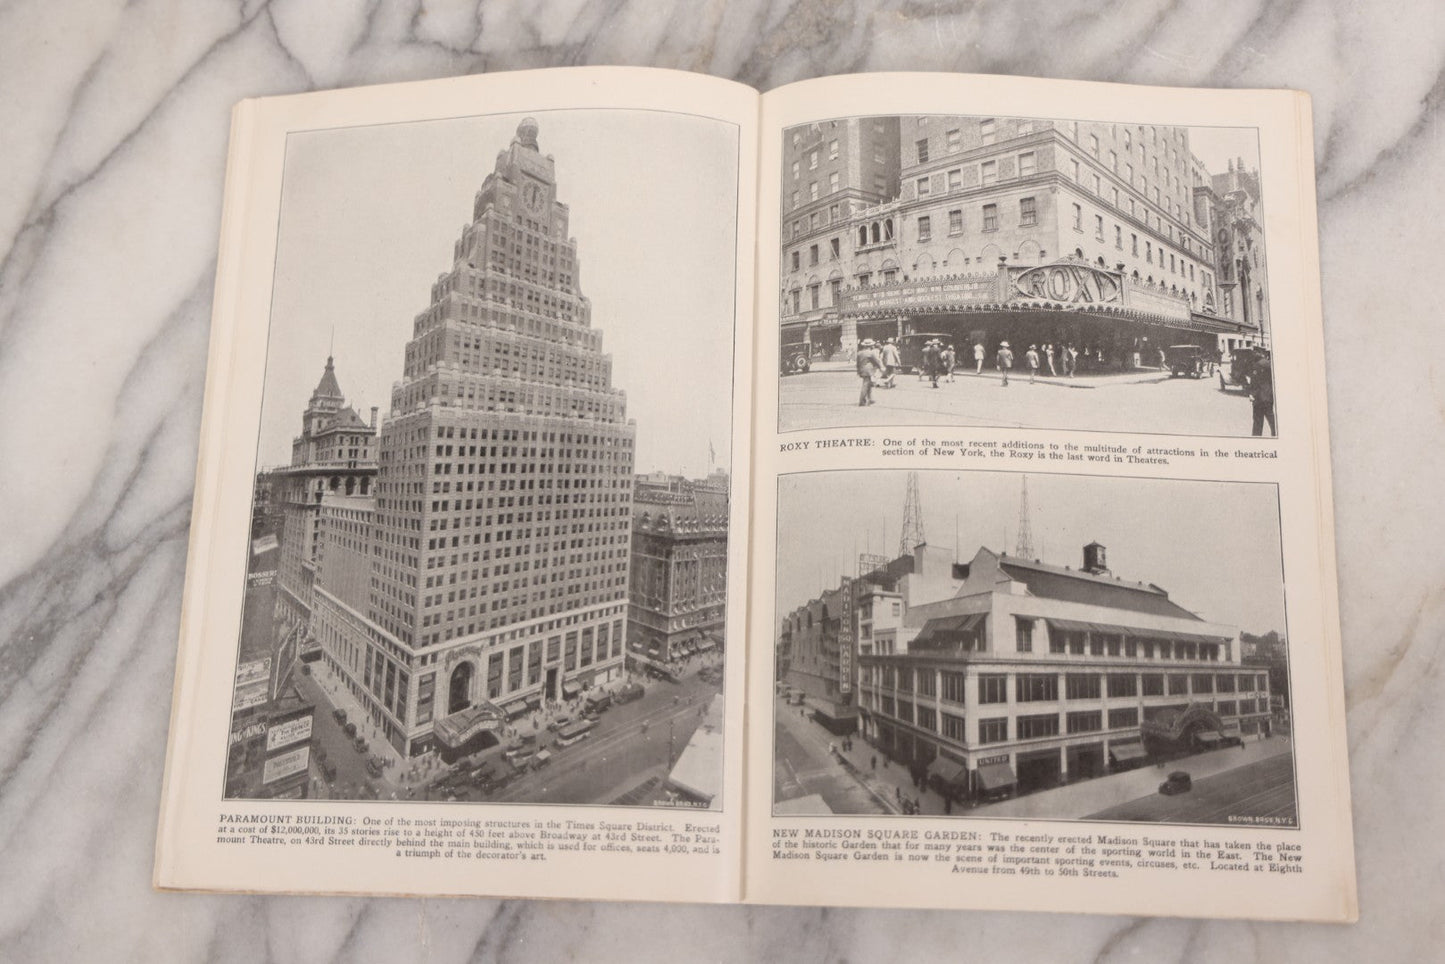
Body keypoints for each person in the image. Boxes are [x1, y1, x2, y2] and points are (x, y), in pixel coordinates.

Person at [1248, 350, 1276, 437]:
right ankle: (1275, 436)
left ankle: (1256, 441)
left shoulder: (1257, 365)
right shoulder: (1270, 364)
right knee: (1272, 420)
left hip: (1259, 399)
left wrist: (1252, 394)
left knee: (1258, 422)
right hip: (1269, 397)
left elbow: (1255, 383)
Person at [856, 338, 882, 406]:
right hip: (868, 371)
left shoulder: (859, 353)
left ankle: (870, 399)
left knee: (869, 385)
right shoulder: (871, 353)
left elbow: (857, 363)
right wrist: (880, 367)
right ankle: (862, 401)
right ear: (870, 346)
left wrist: (858, 371)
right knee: (865, 385)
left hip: (862, 370)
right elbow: (876, 361)